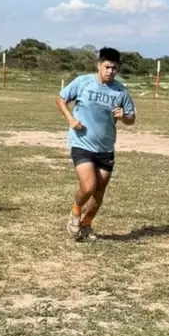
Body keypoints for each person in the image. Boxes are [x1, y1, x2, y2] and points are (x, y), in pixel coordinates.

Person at [57, 47, 136, 241]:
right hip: (82, 142)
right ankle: (75, 212)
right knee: (89, 186)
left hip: (105, 147)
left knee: (99, 192)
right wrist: (70, 119)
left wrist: (124, 116)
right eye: (107, 67)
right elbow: (61, 99)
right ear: (98, 65)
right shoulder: (83, 82)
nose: (110, 71)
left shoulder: (121, 91)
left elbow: (131, 118)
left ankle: (86, 225)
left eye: (114, 68)